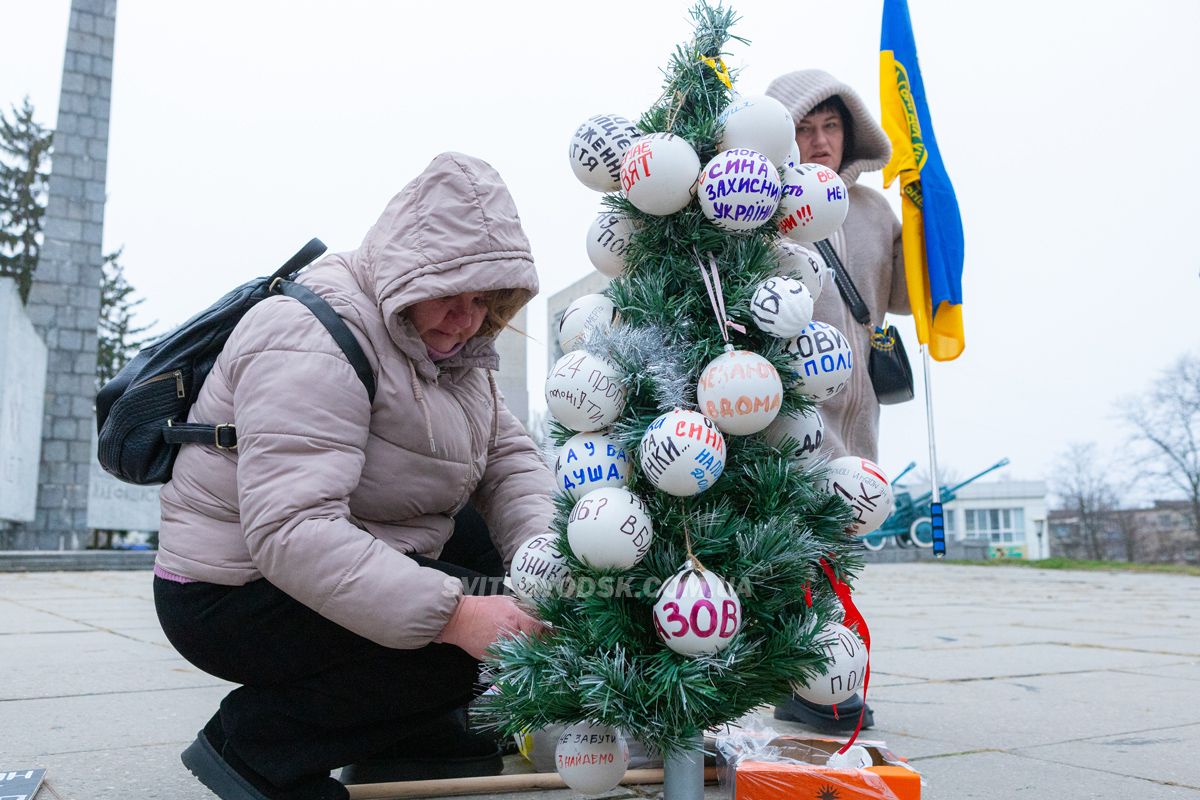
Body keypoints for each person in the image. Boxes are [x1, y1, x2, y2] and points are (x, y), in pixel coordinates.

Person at [153, 152, 556, 800]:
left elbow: (509, 462)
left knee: (495, 567)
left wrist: (543, 557)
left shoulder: (456, 353)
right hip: (227, 590)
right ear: (406, 270)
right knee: (460, 644)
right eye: (448, 293)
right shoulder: (310, 332)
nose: (467, 317)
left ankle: (406, 733)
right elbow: (291, 531)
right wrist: (457, 618)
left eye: (484, 299)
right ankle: (255, 747)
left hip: (330, 546)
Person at [766, 70, 912, 733]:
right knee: (803, 539)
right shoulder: (766, 206)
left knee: (842, 536)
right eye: (804, 127)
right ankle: (810, 674)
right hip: (793, 404)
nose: (820, 140)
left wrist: (923, 215)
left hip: (860, 408)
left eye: (831, 127)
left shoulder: (876, 210)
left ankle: (818, 667)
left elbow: (907, 298)